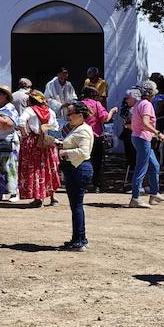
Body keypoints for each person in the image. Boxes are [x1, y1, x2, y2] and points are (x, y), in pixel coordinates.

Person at [57, 102, 94, 251]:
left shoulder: (83, 130)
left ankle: (80, 240)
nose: (68, 117)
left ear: (80, 115)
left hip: (78, 169)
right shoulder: (78, 128)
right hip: (76, 169)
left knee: (77, 206)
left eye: (70, 114)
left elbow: (84, 152)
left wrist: (64, 153)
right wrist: (60, 144)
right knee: (76, 206)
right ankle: (78, 238)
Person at [128, 81, 164, 208]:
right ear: (151, 92)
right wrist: (159, 133)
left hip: (139, 138)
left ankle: (154, 193)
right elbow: (145, 123)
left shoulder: (139, 103)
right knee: (141, 168)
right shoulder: (146, 104)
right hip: (142, 138)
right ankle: (135, 198)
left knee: (154, 165)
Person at [79, 87, 113, 190]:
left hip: (81, 136)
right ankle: (96, 184)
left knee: (82, 160)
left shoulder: (79, 104)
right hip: (95, 136)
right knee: (96, 162)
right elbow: (105, 119)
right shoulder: (97, 104)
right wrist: (112, 111)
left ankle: (83, 184)